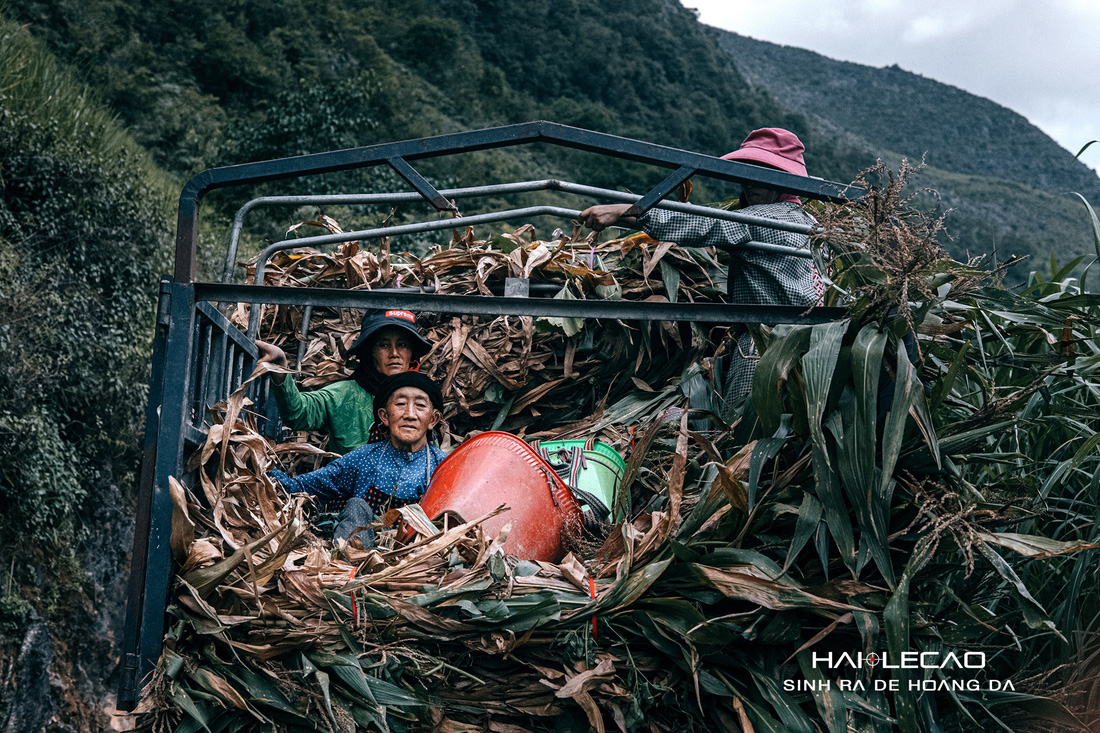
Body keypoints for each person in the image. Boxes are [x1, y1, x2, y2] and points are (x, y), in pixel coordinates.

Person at [577, 127, 822, 417]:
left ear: (785, 180)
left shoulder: (768, 218)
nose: (749, 182)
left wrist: (629, 210)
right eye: (747, 171)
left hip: (766, 346)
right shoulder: (812, 222)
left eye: (764, 172)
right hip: (810, 350)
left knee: (739, 431)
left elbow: (707, 224)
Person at [270, 372, 447, 548]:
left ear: (433, 419)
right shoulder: (364, 459)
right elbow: (299, 487)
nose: (409, 414)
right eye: (400, 404)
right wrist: (261, 464)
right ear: (384, 416)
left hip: (420, 560)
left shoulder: (446, 466)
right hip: (359, 559)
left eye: (420, 406)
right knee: (356, 506)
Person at [257, 309, 433, 454]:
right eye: (384, 345)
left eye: (402, 345)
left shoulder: (423, 400)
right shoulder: (344, 394)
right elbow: (298, 413)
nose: (394, 353)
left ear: (412, 353)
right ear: (369, 352)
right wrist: (280, 366)